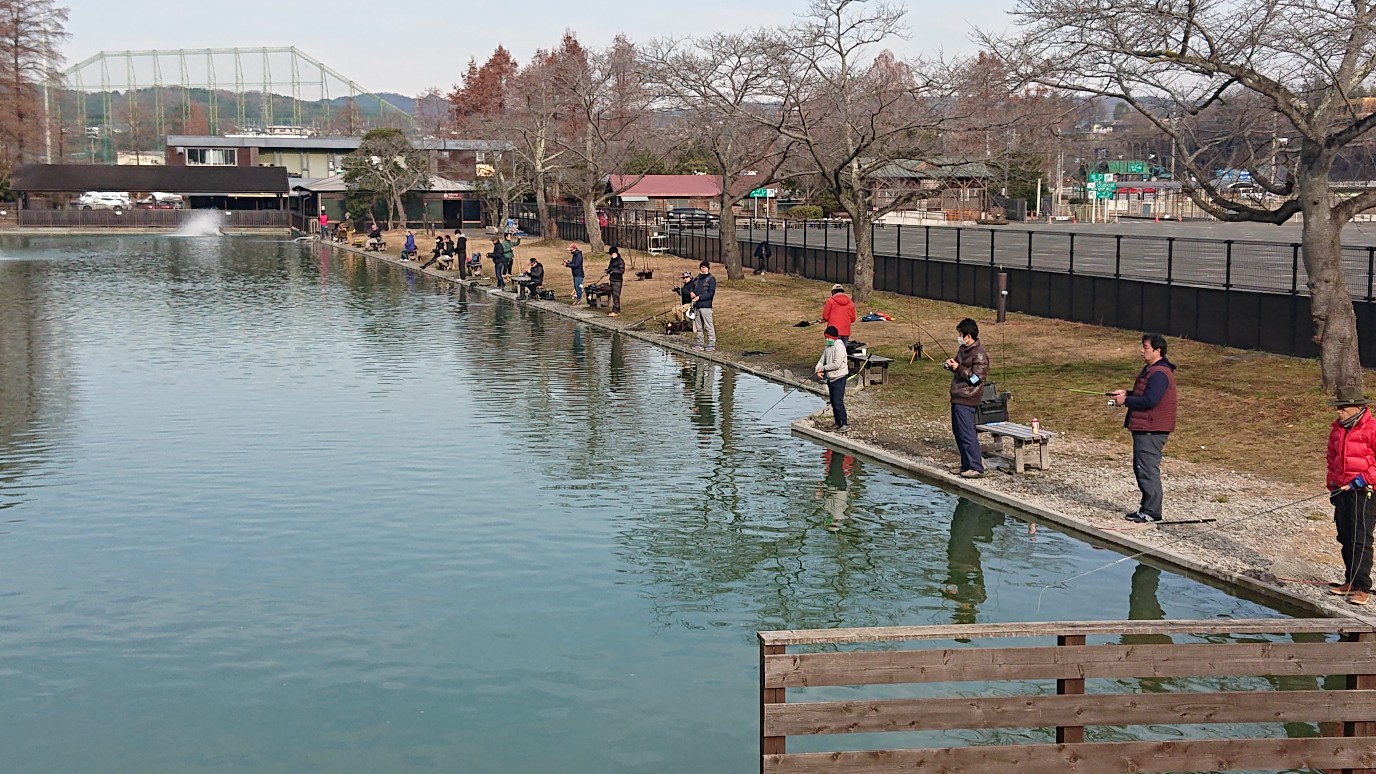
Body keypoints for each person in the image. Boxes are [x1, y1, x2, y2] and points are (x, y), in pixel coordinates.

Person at [1110, 333, 1178, 522]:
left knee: (1147, 469)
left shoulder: (1160, 373)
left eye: (1145, 347)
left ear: (1158, 351)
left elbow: (1150, 400)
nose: (1141, 350)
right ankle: (1146, 508)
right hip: (1144, 427)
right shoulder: (1152, 371)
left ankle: (1152, 512)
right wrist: (1126, 394)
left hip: (1151, 429)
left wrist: (1125, 401)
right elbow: (1144, 394)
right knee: (1141, 468)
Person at [1325, 386, 1376, 606]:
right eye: (1338, 408)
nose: (1339, 412)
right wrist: (1332, 483)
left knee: (1360, 538)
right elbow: (1332, 457)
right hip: (1341, 490)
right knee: (1345, 536)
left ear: (1357, 407)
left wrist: (1363, 479)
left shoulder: (1372, 428)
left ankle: (1363, 587)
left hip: (1364, 492)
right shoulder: (1337, 429)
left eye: (1343, 408)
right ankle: (1350, 581)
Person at [945, 318, 989, 478]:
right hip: (957, 396)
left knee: (967, 433)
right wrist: (951, 365)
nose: (959, 336)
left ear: (969, 336)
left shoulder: (979, 355)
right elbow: (958, 367)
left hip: (968, 398)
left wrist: (960, 368)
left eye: (960, 334)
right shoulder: (963, 350)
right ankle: (965, 465)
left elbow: (977, 379)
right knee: (959, 432)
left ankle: (976, 467)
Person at [815, 325, 849, 432]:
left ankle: (844, 423)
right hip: (831, 378)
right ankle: (837, 423)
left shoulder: (839, 346)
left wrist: (823, 368)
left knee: (838, 401)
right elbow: (822, 360)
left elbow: (836, 364)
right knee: (833, 402)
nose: (826, 340)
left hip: (839, 377)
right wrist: (818, 369)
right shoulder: (828, 347)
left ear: (832, 337)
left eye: (827, 338)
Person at [690, 260, 716, 351]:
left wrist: (699, 297)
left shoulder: (711, 279)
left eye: (704, 267)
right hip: (697, 306)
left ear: (708, 268)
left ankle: (711, 344)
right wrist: (692, 293)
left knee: (709, 326)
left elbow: (711, 293)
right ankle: (699, 343)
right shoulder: (697, 278)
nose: (703, 269)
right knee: (699, 327)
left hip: (706, 306)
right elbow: (692, 287)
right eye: (702, 267)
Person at [604, 245, 625, 316]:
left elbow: (621, 270)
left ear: (614, 253)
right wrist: (608, 270)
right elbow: (610, 268)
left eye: (611, 254)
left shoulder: (620, 261)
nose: (610, 255)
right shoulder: (612, 260)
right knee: (613, 295)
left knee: (616, 295)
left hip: (617, 281)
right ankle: (617, 310)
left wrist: (613, 271)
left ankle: (615, 311)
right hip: (612, 280)